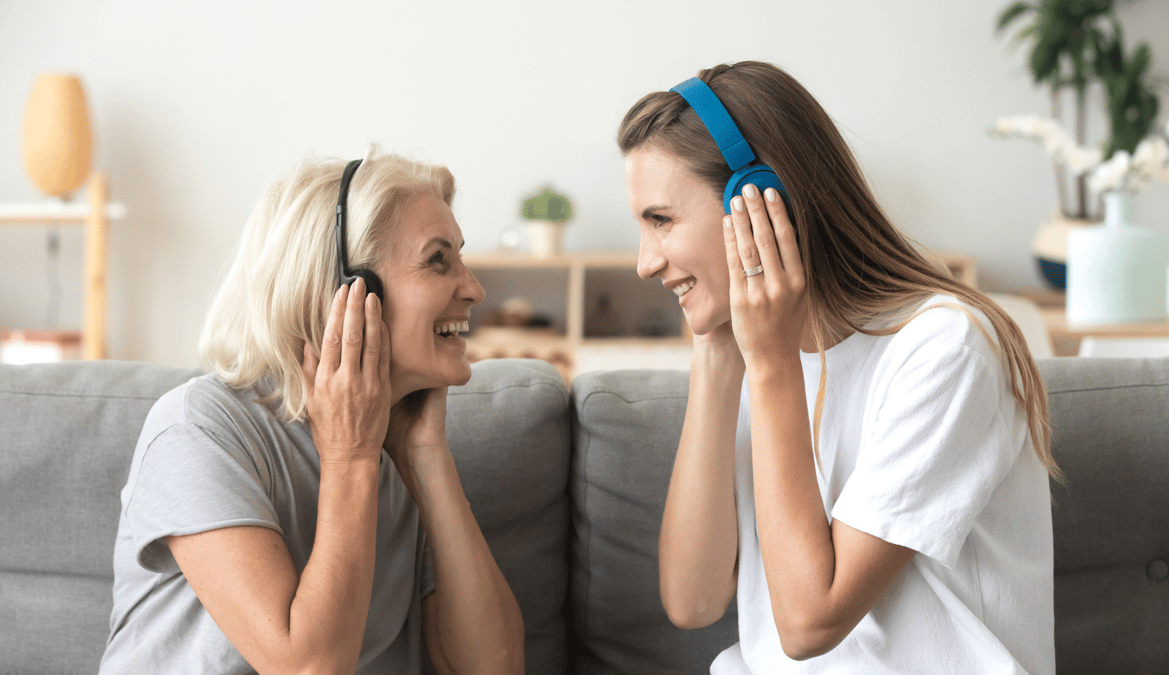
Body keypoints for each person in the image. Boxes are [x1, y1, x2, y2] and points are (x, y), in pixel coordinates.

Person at [618, 61, 1057, 674]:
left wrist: (769, 366)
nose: (645, 263)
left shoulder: (946, 350)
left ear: (757, 201)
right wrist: (717, 357)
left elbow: (808, 623)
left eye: (661, 221)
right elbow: (693, 601)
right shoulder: (753, 347)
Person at [100, 150, 524, 674]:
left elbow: (495, 667)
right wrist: (350, 457)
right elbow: (308, 668)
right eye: (438, 260)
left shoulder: (398, 447)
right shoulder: (199, 429)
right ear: (344, 291)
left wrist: (426, 455)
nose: (474, 289)